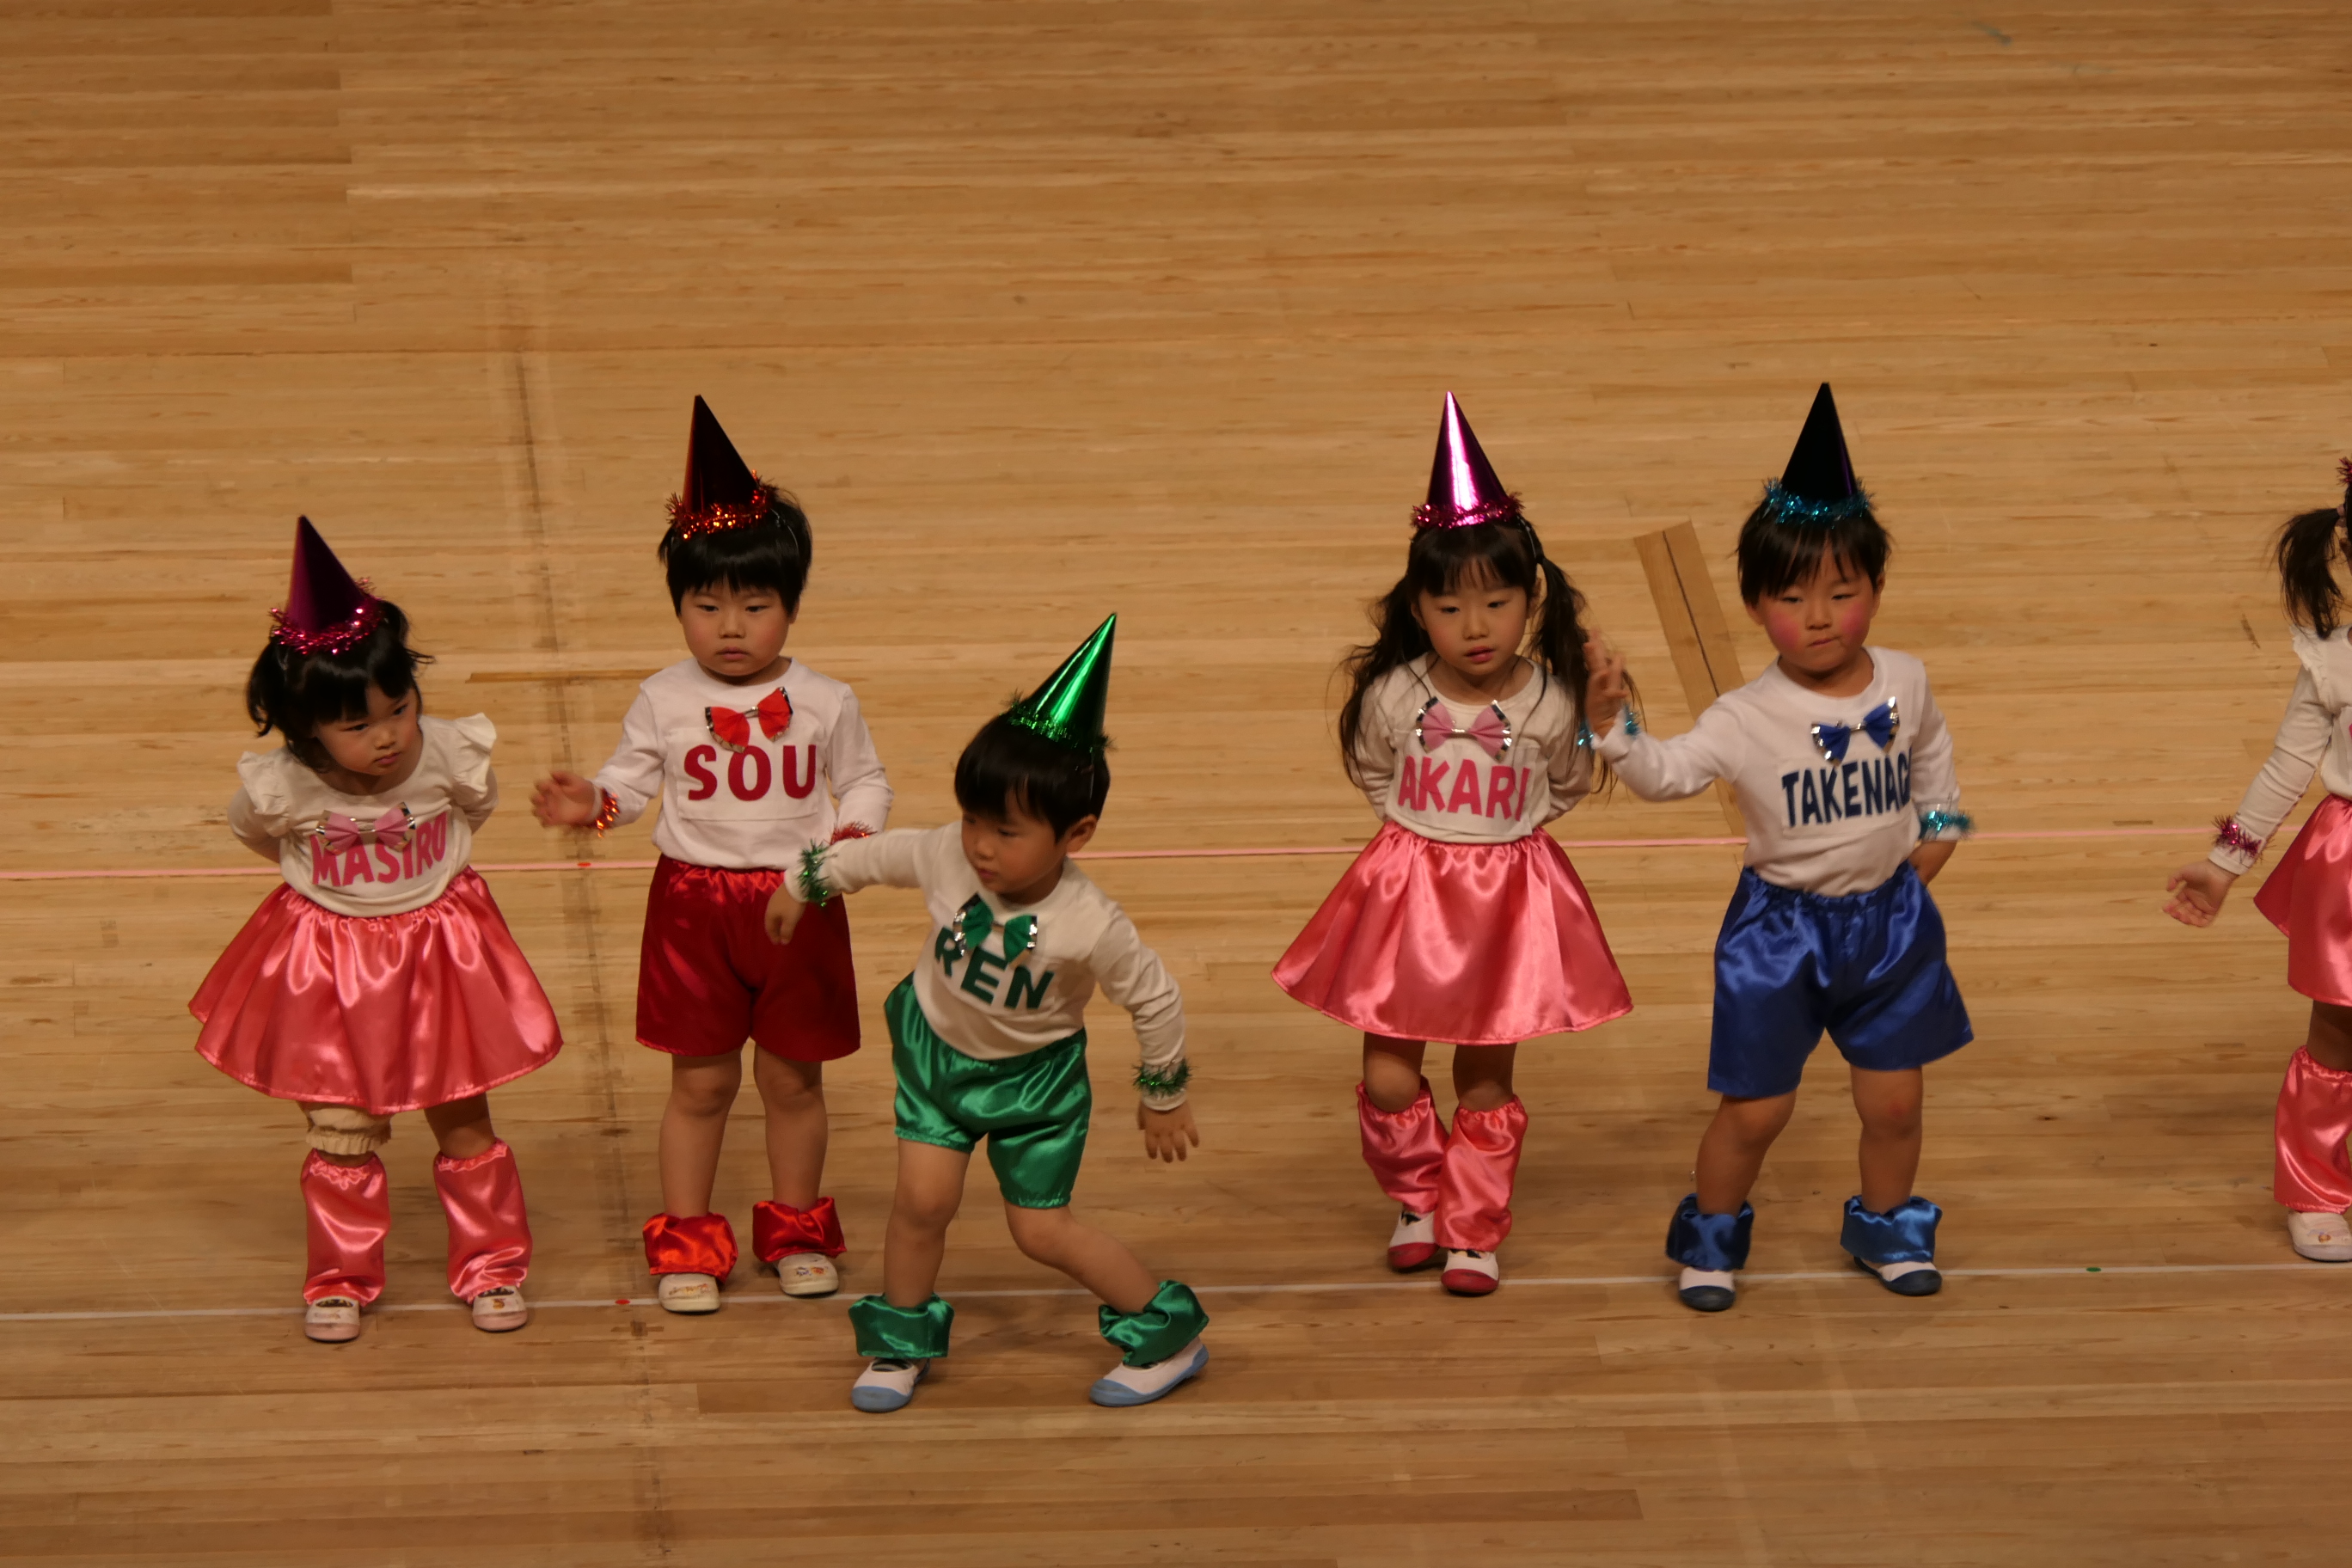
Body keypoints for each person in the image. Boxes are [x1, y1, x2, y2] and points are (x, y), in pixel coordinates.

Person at [1584, 383, 1973, 1312]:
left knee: (1895, 1104)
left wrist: (1925, 859)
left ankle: (1889, 1231)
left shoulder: (1908, 681)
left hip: (1890, 927)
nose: (1821, 614)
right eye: (1794, 598)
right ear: (1757, 605)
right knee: (1758, 1110)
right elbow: (1668, 775)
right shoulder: (1743, 716)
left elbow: (1936, 778)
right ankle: (1711, 1242)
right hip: (1779, 935)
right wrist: (1614, 728)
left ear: (1877, 587)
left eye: (1843, 592)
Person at [769, 616, 1210, 1412]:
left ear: (1077, 833)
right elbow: (876, 856)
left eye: (1005, 831)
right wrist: (807, 881)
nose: (978, 845)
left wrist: (1163, 1092)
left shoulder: (1090, 924)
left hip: (1034, 1093)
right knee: (921, 1204)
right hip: (936, 1061)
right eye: (973, 819)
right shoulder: (949, 853)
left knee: (1041, 1232)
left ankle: (1167, 1334)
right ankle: (899, 1344)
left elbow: (1154, 996)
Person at [532, 397, 891, 1310]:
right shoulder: (662, 698)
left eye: (755, 607)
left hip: (799, 903)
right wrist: (592, 805)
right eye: (707, 606)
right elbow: (629, 786)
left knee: (793, 1081)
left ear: (791, 607)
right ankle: (687, 1245)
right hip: (691, 910)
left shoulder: (828, 700)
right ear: (680, 607)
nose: (731, 627)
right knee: (699, 1085)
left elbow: (865, 784)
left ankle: (798, 1231)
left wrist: (840, 855)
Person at [1272, 393, 1631, 1297]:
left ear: (1529, 600)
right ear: (1418, 609)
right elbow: (1373, 768)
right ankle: (1417, 1199)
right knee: (1391, 1077)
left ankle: (1472, 1227)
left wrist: (1590, 729)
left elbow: (1565, 786)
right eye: (1450, 607)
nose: (1476, 627)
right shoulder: (1396, 695)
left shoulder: (1547, 701)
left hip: (1503, 906)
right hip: (1406, 897)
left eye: (1498, 604)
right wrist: (1418, 837)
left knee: (1483, 1080)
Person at [192, 518, 561, 1343]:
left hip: (440, 958)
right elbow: (255, 832)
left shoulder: (448, 755)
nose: (389, 735)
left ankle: (493, 1265)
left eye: (400, 709)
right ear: (307, 729)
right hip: (329, 968)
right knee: (341, 1132)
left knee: (464, 1120)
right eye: (358, 727)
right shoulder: (284, 788)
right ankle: (340, 1279)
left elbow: (476, 808)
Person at [2165, 457, 2352, 1263]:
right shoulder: (2334, 662)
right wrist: (2223, 864)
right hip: (2351, 871)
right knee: (2339, 1030)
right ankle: (2317, 1189)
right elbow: (2287, 766)